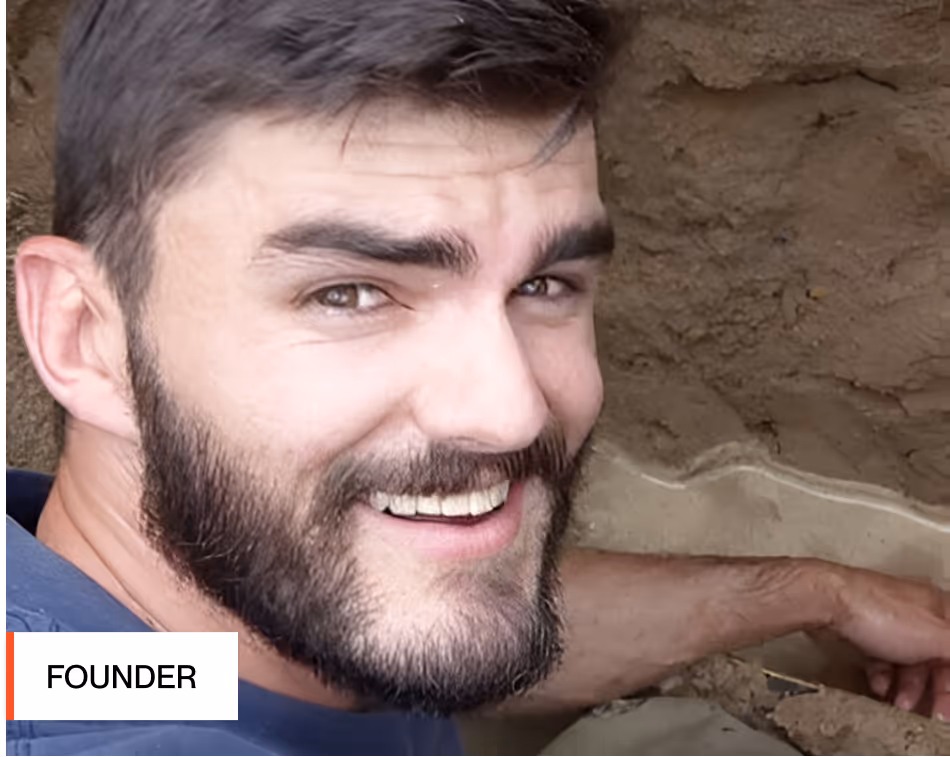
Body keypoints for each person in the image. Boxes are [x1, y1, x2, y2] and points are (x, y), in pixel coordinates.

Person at [6, 1, 948, 755]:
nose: (510, 410)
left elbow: (415, 612)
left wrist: (818, 593)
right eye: (351, 293)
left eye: (544, 283)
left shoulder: (97, 652)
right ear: (84, 334)